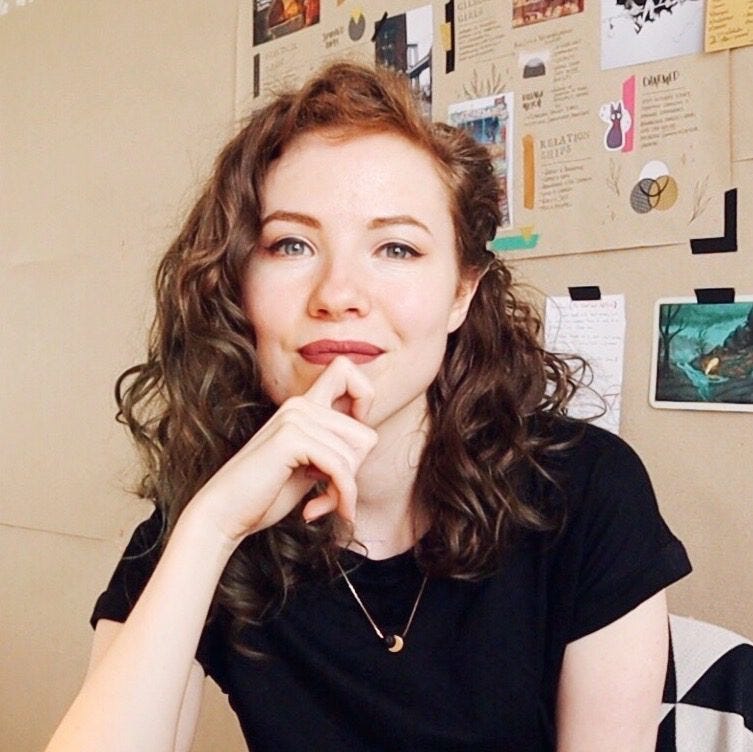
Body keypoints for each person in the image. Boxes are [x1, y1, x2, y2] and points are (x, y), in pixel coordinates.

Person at [45, 61, 691, 752]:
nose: (338, 292)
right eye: (291, 243)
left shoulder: (586, 489)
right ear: (236, 284)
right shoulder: (213, 510)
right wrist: (208, 530)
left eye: (396, 247)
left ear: (459, 295)